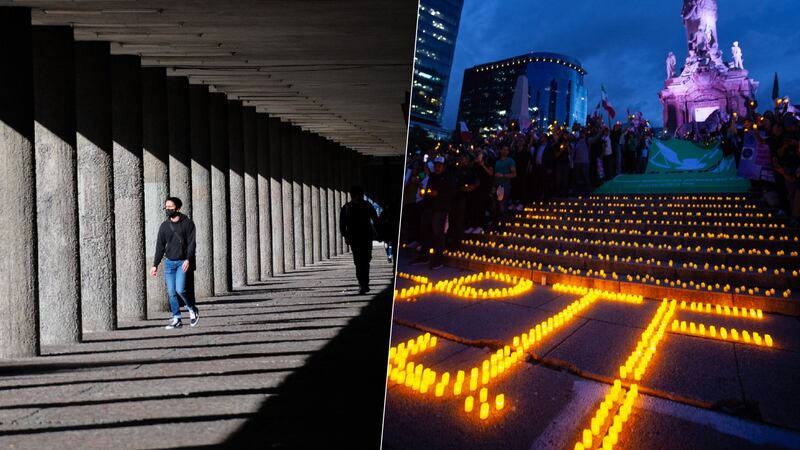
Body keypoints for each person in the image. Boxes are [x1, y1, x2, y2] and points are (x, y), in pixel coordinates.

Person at [150, 197, 199, 329]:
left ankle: (192, 309)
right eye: (166, 207)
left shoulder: (188, 223)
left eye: (170, 207)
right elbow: (160, 246)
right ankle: (177, 318)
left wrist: (188, 259)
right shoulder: (164, 226)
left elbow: (191, 243)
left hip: (182, 262)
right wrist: (155, 264)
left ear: (177, 208)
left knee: (180, 289)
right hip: (169, 263)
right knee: (171, 292)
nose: (168, 209)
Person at [340, 185, 379, 294]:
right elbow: (342, 224)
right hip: (355, 238)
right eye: (357, 195)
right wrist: (345, 236)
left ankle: (364, 283)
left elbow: (375, 219)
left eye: (360, 195)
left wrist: (378, 231)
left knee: (366, 260)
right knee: (358, 261)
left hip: (366, 237)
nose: (358, 197)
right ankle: (363, 284)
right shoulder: (347, 207)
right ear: (353, 195)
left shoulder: (367, 205)